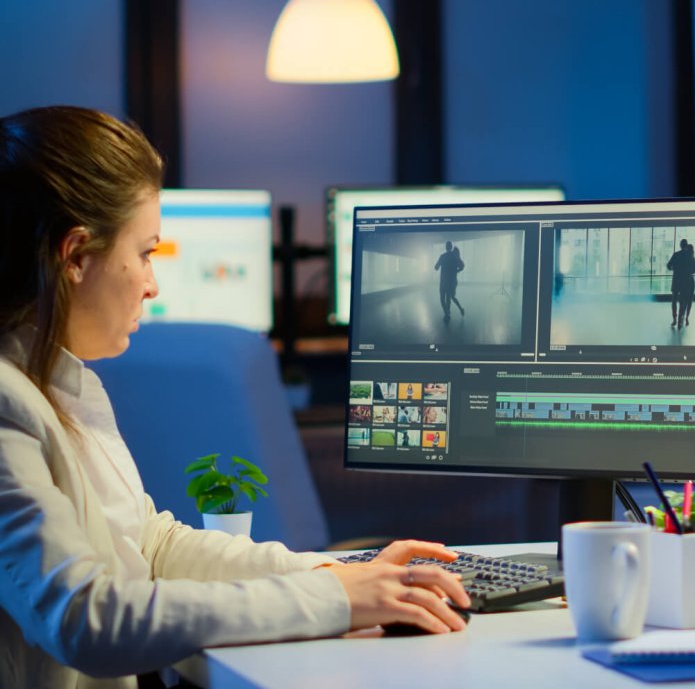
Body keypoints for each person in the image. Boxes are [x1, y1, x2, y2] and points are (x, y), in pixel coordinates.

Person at [0, 106, 469, 689]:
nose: (153, 283)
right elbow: (81, 617)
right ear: (74, 257)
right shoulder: (7, 405)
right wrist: (332, 598)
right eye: (145, 252)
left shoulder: (58, 384)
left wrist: (338, 571)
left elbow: (151, 544)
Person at [667, 239, 695, 328]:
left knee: (674, 300)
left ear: (680, 245)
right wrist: (688, 272)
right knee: (682, 301)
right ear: (686, 245)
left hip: (676, 280)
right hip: (685, 282)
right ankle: (680, 321)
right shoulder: (689, 255)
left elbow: (668, 265)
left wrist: (674, 268)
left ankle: (674, 319)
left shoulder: (676, 254)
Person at [434, 241, 465, 321]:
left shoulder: (442, 256)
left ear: (446, 247)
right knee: (450, 297)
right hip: (452, 281)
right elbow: (462, 266)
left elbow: (436, 267)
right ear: (451, 247)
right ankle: (451, 312)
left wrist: (438, 266)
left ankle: (447, 313)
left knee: (442, 298)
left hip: (443, 281)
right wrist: (456, 271)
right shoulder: (455, 257)